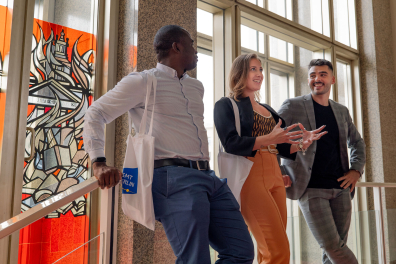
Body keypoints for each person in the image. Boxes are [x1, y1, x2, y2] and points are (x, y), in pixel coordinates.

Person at [83, 25, 256, 264]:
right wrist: (98, 162)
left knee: (241, 251)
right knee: (195, 259)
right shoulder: (143, 81)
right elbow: (96, 112)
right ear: (177, 46)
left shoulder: (196, 87)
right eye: (192, 44)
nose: (196, 51)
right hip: (173, 179)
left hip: (209, 178)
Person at [214, 53, 327, 264]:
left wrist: (303, 143)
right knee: (278, 250)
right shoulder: (226, 105)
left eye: (261, 69)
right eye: (253, 69)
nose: (259, 74)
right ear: (240, 73)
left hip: (275, 175)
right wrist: (269, 138)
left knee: (271, 248)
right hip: (250, 175)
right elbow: (231, 143)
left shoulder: (267, 109)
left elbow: (282, 146)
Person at [277, 59, 366, 264]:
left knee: (334, 250)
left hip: (341, 187)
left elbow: (358, 143)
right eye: (312, 75)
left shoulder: (342, 111)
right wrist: (279, 171)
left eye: (322, 74)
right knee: (332, 245)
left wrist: (356, 171)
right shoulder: (293, 105)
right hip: (310, 189)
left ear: (332, 79)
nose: (317, 79)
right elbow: (272, 139)